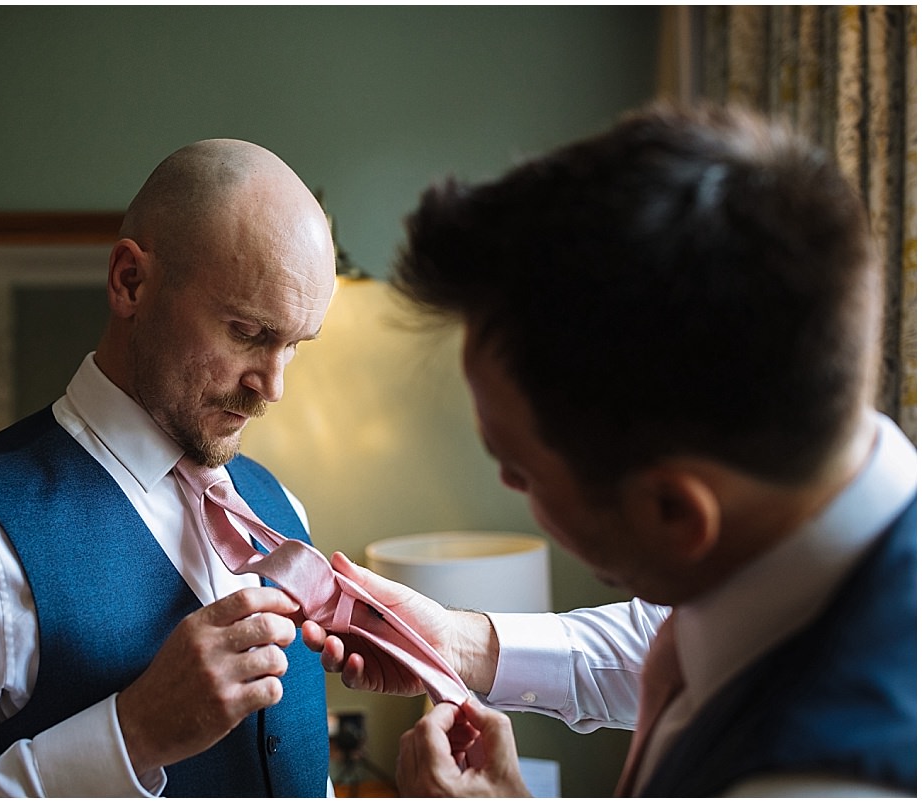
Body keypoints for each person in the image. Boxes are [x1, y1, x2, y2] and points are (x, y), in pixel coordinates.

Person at [303, 104, 917, 796]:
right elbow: (668, 637)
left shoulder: (826, 776)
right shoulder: (795, 526)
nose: (506, 481)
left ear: (674, 511)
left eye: (519, 468)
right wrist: (452, 640)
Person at [0, 139, 338, 796]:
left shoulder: (280, 508)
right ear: (130, 281)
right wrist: (130, 734)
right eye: (248, 332)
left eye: (294, 345)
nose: (272, 386)